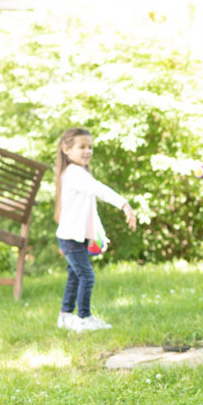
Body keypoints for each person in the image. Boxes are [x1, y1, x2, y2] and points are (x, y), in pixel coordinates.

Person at [54, 127, 137, 333]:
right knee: (86, 276)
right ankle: (84, 318)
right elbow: (100, 190)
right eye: (82, 147)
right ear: (66, 149)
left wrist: (99, 235)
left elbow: (90, 210)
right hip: (70, 238)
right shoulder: (74, 173)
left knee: (75, 276)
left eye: (90, 147)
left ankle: (65, 316)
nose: (87, 151)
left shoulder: (79, 173)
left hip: (74, 237)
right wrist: (124, 204)